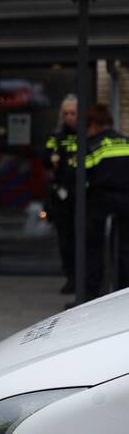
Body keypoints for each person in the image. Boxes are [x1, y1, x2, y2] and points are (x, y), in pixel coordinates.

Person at [81, 104, 129, 302]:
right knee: (125, 249)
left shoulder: (92, 144)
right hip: (126, 201)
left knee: (94, 248)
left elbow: (80, 178)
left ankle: (91, 295)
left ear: (92, 124)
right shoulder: (126, 141)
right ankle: (123, 294)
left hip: (101, 202)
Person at [44, 95, 78, 294]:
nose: (69, 117)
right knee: (65, 240)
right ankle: (71, 277)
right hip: (62, 196)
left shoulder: (86, 134)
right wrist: (51, 159)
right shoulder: (57, 136)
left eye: (72, 113)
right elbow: (45, 157)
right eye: (65, 113)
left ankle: (83, 278)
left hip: (82, 196)